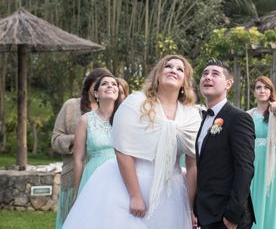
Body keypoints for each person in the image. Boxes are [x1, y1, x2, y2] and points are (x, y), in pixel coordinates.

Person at [63, 55, 202, 229]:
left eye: (179, 69)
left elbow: (192, 166)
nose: (173, 70)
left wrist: (189, 210)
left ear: (185, 81)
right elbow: (122, 150)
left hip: (172, 192)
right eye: (168, 66)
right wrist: (135, 195)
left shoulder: (191, 116)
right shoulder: (136, 103)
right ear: (158, 74)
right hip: (128, 184)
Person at [195, 60, 256, 229]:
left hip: (227, 217)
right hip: (205, 212)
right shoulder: (202, 119)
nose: (208, 77)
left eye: (215, 74)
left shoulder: (239, 118)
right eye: (205, 73)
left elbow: (245, 167)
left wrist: (233, 213)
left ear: (228, 84)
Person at [51, 67, 111, 229]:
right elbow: (55, 139)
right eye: (98, 83)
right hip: (74, 175)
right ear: (90, 86)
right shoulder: (71, 106)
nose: (104, 86)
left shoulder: (113, 110)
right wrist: (79, 139)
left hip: (105, 177)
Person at [248, 76, 276, 229]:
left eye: (266, 87)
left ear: (271, 91)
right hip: (252, 162)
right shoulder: (248, 114)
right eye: (258, 87)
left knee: (270, 200)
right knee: (252, 198)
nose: (262, 90)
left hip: (271, 161)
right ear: (254, 92)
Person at [71, 73, 120, 200]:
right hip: (93, 177)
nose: (110, 86)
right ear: (96, 94)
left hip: (119, 176)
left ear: (117, 92)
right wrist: (76, 191)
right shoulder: (85, 120)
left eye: (114, 84)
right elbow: (78, 159)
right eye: (104, 84)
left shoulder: (125, 118)